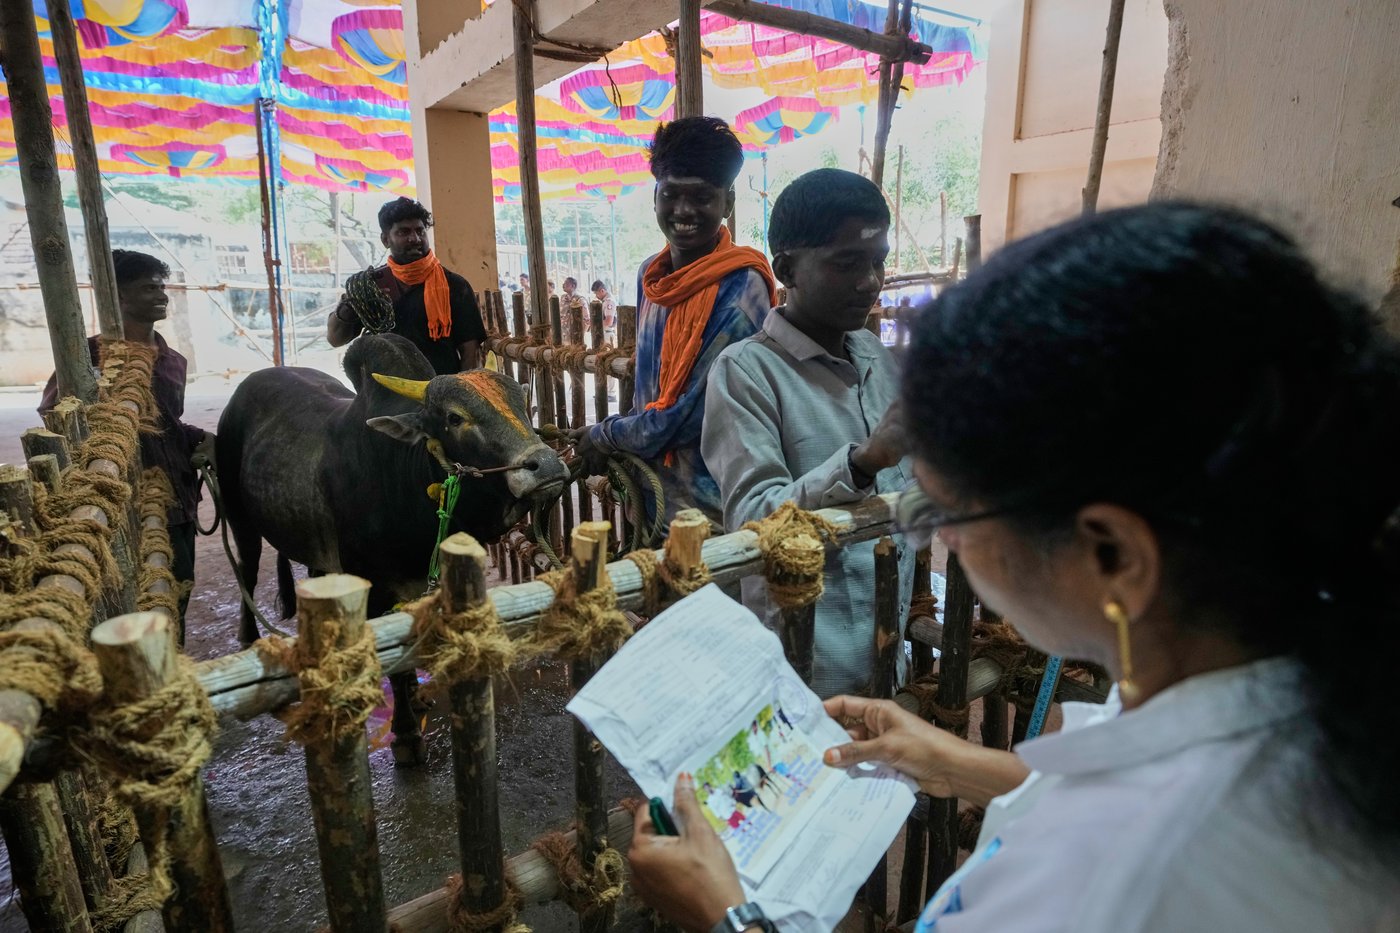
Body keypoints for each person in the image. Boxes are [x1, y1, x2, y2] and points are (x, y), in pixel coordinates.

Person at [627, 203, 1400, 932]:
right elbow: (1119, 790)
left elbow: (1122, 836)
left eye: (948, 511)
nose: (947, 544)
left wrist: (728, 914)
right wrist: (963, 763)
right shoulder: (1308, 690)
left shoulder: (1107, 882)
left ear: (1114, 557)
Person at [702, 168, 914, 697]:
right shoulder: (745, 372)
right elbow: (754, 520)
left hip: (887, 653)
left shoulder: (875, 358)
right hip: (801, 667)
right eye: (847, 263)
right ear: (787, 268)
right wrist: (861, 463)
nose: (870, 281)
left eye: (878, 261)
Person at [570, 117, 776, 525]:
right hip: (651, 498)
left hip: (714, 512)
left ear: (728, 203)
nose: (684, 211)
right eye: (671, 194)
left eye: (702, 197)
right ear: (655, 196)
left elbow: (691, 416)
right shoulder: (652, 276)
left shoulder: (741, 290)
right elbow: (646, 393)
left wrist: (606, 435)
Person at [40, 250, 211, 640]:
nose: (161, 294)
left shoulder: (174, 361)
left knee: (177, 586)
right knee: (122, 594)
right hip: (114, 493)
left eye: (161, 286)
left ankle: (169, 665)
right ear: (117, 297)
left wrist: (198, 439)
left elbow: (169, 420)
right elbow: (54, 415)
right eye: (148, 287)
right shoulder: (85, 358)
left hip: (175, 493)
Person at [327, 197, 486, 374]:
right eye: (404, 232)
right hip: (383, 392)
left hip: (438, 391)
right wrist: (351, 303)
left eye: (420, 231)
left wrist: (460, 393)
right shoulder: (370, 286)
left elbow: (470, 350)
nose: (415, 238)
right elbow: (336, 339)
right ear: (385, 240)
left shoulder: (455, 285)